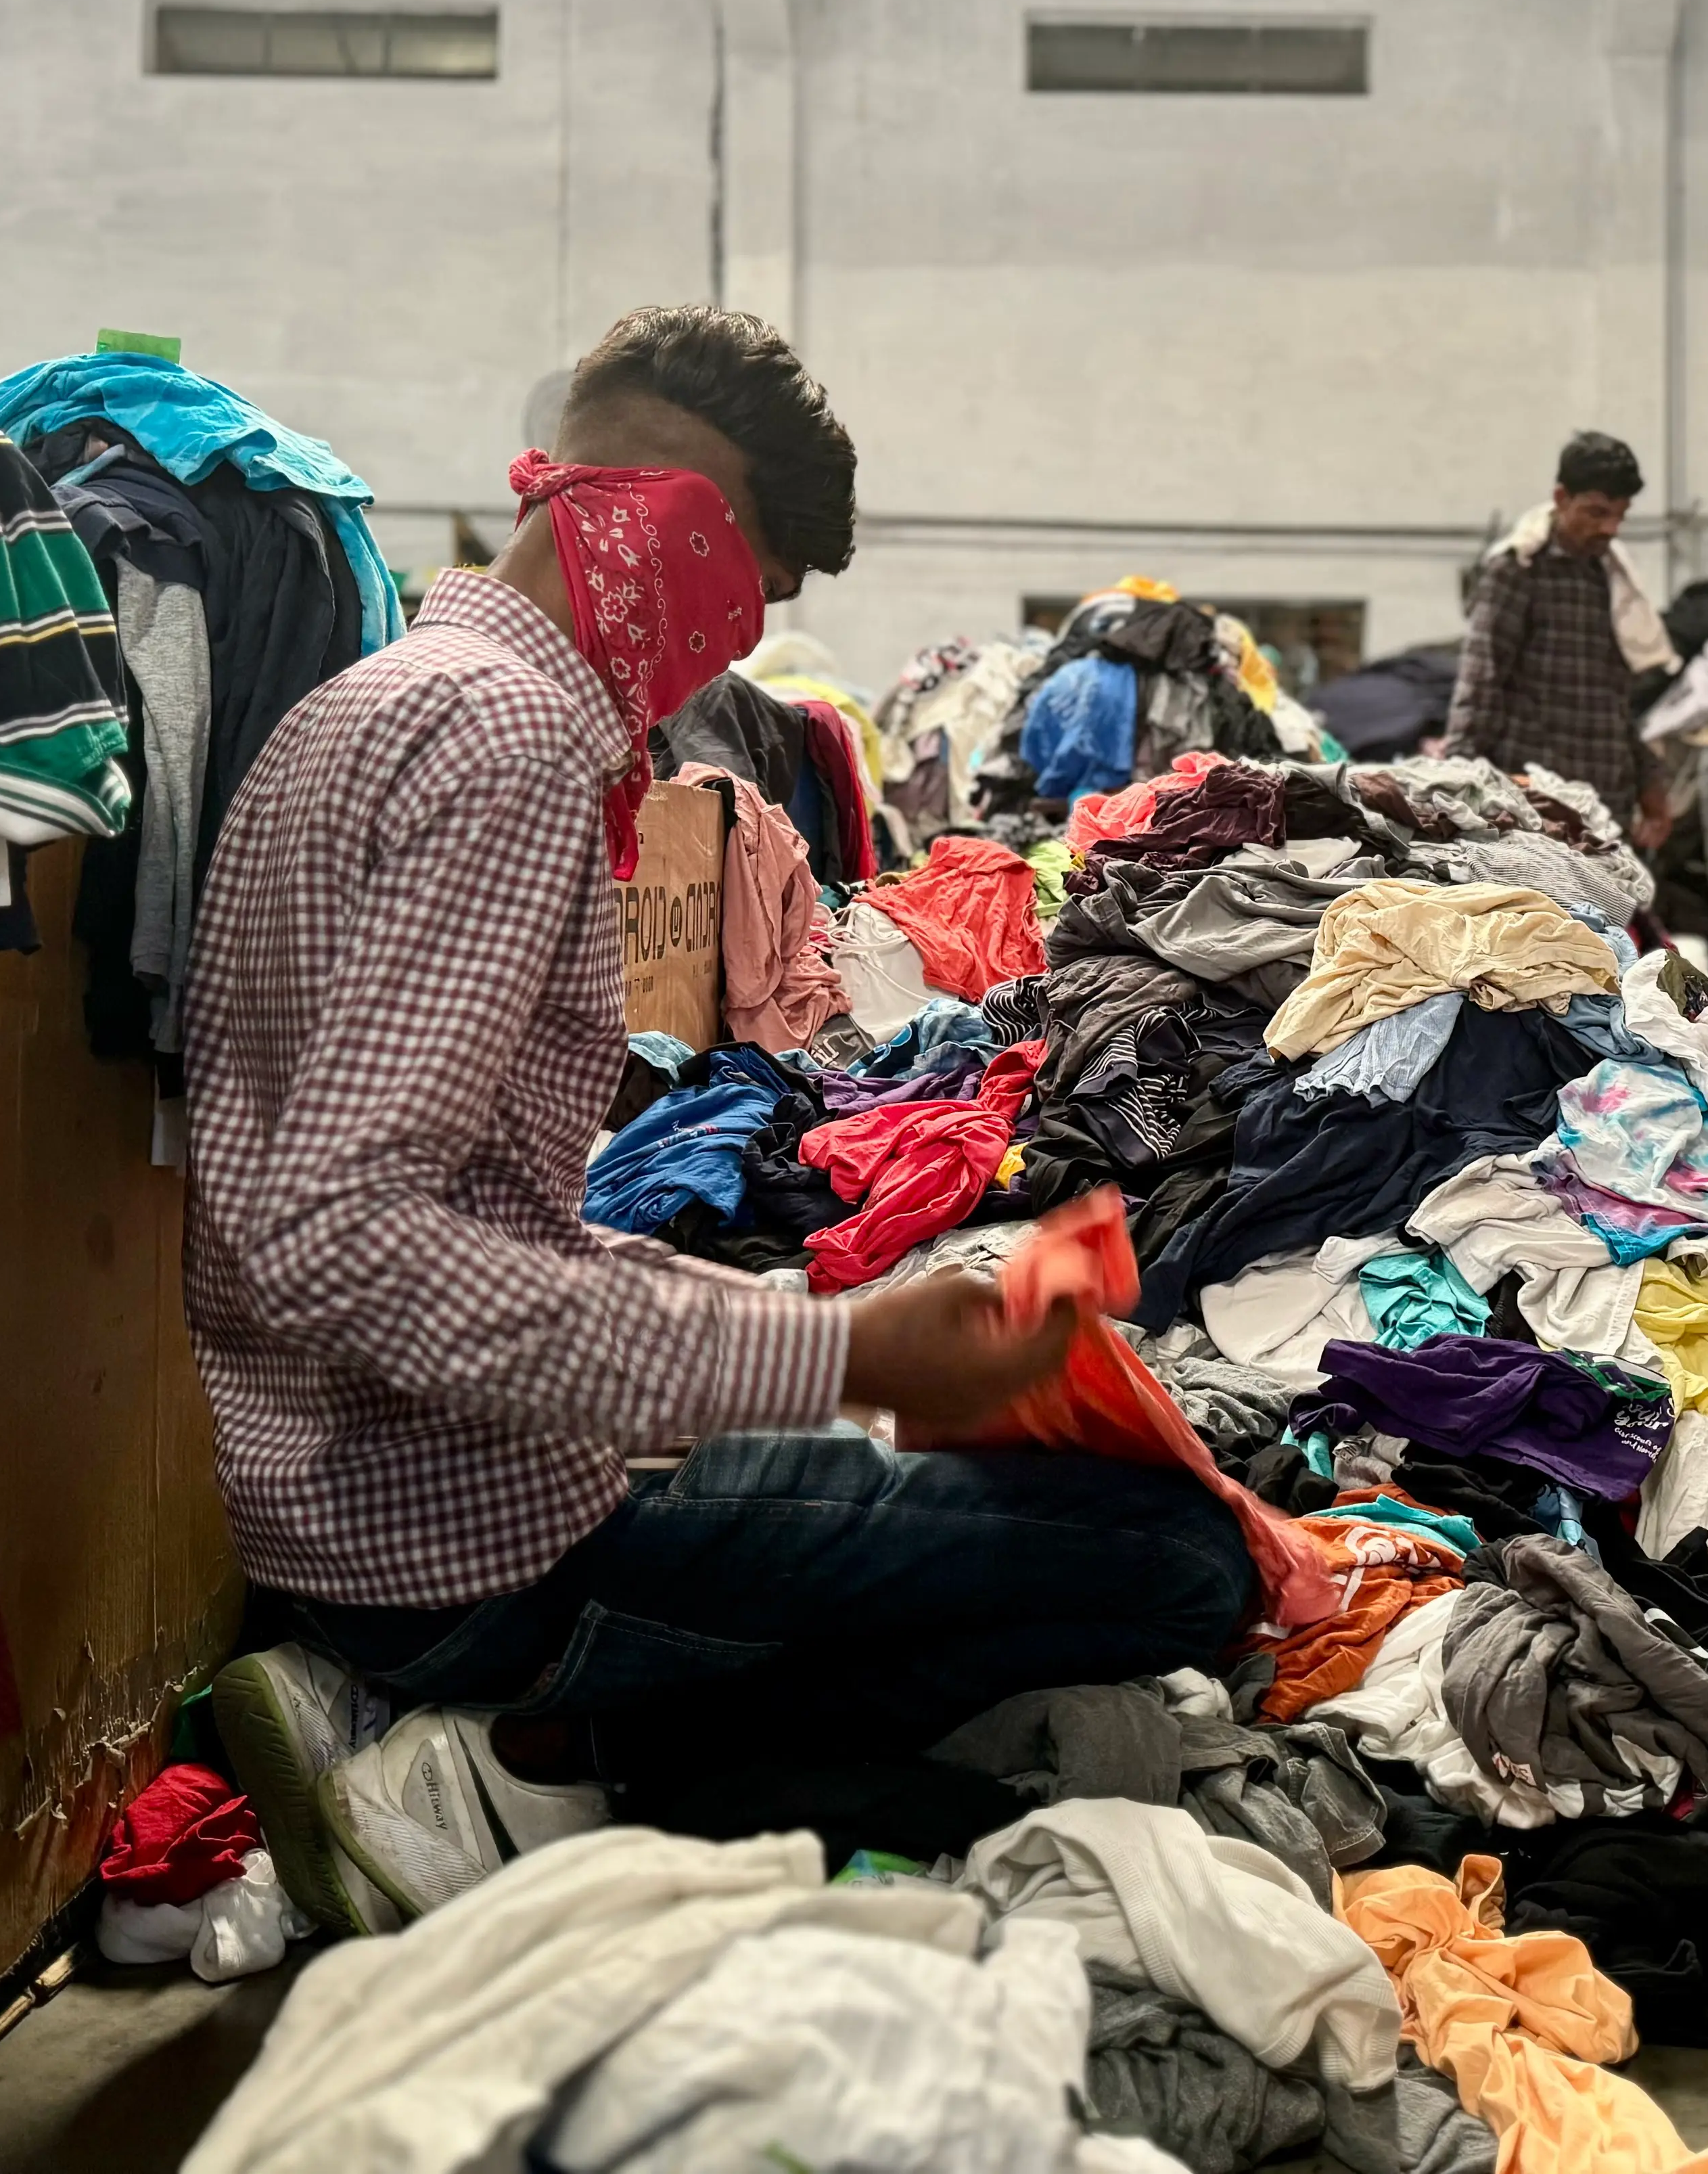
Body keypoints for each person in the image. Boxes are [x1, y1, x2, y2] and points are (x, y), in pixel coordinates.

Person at [182, 305, 1251, 1937]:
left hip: (346, 1487)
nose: (737, 646)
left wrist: (789, 1323)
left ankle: (509, 1737)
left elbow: (435, 1215)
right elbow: (350, 1241)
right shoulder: (516, 743)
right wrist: (849, 1362)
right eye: (753, 585)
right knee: (1181, 1562)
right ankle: (536, 1759)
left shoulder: (384, 695)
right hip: (459, 1547)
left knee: (904, 1465)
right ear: (680, 523)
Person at [1448, 429, 1675, 847]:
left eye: (1619, 515)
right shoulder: (1517, 572)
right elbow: (1481, 684)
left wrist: (1652, 786)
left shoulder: (1613, 580)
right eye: (1596, 512)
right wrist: (1456, 783)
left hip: (1608, 806)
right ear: (1560, 498)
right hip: (1534, 808)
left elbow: (1623, 704)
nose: (1610, 527)